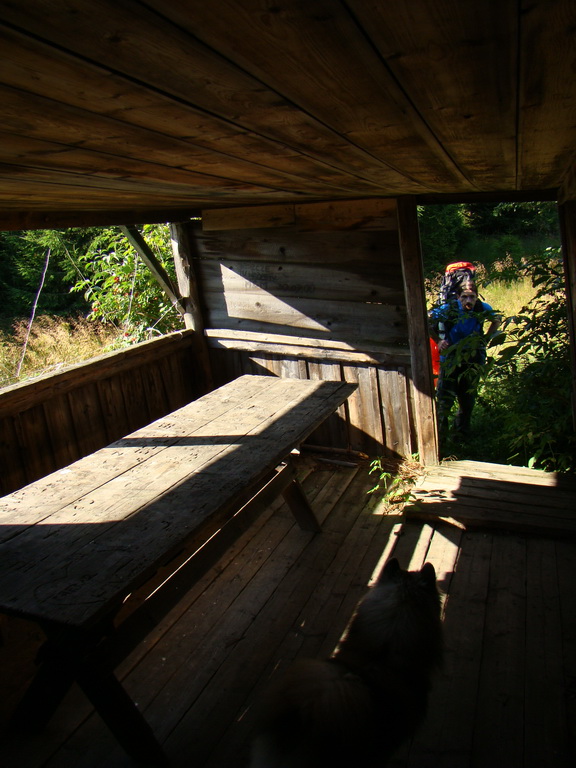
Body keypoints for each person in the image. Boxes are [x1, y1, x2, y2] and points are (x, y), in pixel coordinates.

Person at [429, 280, 501, 445]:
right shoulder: (449, 309)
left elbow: (497, 319)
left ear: (476, 297)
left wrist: (486, 338)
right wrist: (438, 341)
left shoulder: (481, 308)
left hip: (473, 358)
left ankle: (461, 438)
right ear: (458, 297)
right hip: (451, 358)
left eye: (472, 297)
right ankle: (440, 438)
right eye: (465, 297)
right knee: (444, 399)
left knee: (467, 398)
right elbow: (427, 320)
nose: (468, 301)